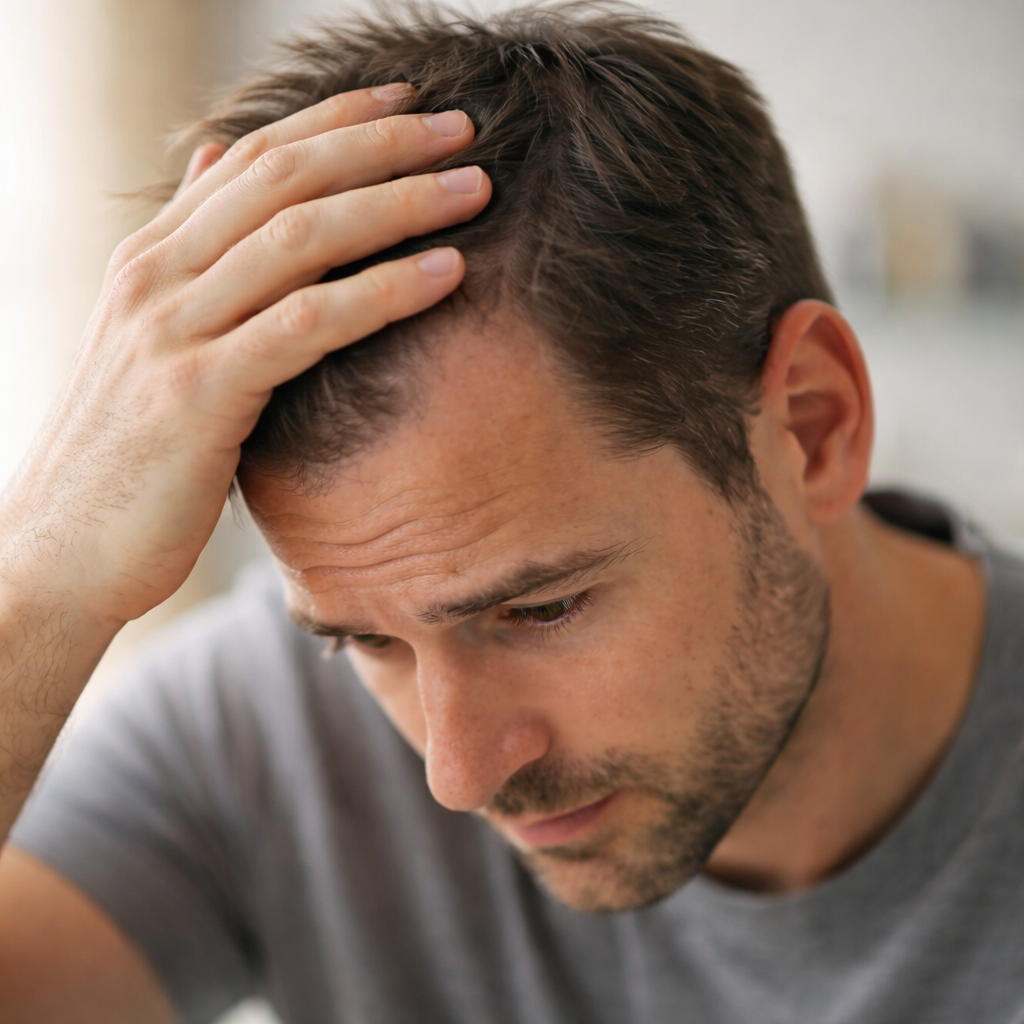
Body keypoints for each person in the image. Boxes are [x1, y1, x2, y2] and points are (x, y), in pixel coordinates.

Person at [0, 4, 1019, 1022]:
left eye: (540, 609)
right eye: (364, 639)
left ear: (811, 422)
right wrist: (40, 585)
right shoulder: (258, 736)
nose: (457, 771)